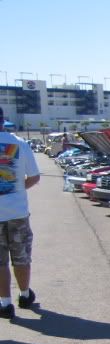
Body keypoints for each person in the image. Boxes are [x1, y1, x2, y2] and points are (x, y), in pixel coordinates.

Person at [0, 106, 41, 319]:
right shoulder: (20, 143)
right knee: (21, 257)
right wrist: (16, 189)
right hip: (17, 212)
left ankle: (5, 304)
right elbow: (34, 177)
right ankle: (25, 295)